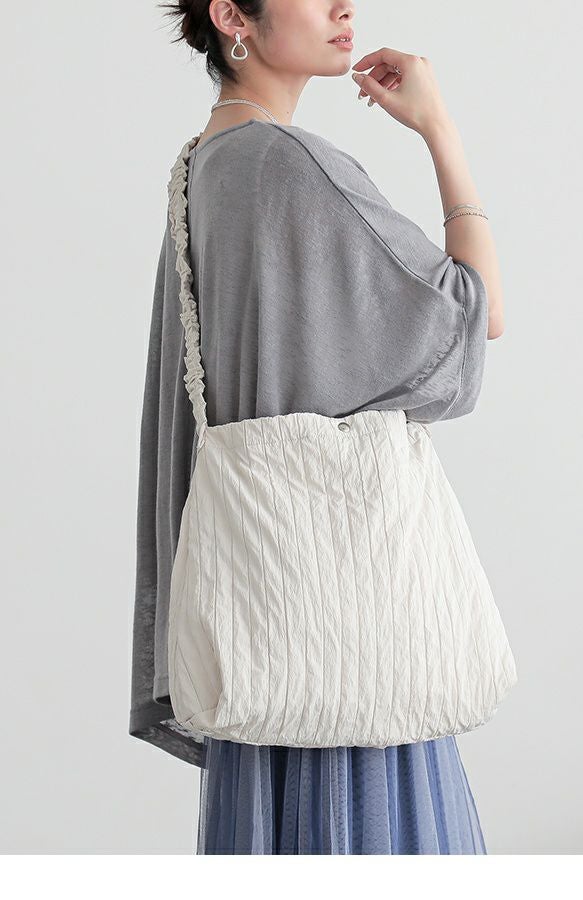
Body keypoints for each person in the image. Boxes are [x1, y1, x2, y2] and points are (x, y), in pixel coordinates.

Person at [130, 0, 506, 854]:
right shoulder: (289, 161)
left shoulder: (200, 169)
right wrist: (439, 129)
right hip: (347, 620)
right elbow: (474, 314)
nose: (345, 7)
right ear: (234, 16)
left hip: (264, 614)